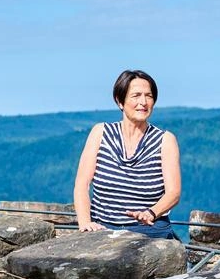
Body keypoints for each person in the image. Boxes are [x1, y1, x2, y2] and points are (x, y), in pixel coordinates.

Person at [73, 69, 181, 239]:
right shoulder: (100, 133)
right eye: (136, 95)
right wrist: (85, 223)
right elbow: (82, 184)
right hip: (103, 231)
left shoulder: (165, 140)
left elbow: (174, 192)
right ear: (120, 101)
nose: (143, 102)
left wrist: (151, 213)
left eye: (149, 96)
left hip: (149, 233)